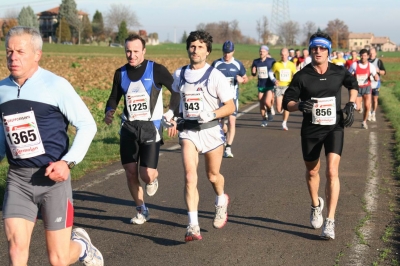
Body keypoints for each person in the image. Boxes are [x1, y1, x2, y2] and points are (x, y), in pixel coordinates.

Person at [0, 26, 102, 265]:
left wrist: (68, 162)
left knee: (58, 258)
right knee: (16, 251)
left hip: (52, 180)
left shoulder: (56, 85)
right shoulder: (2, 89)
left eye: (20, 52)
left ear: (37, 54)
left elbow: (88, 125)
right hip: (18, 180)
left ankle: (82, 246)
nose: (13, 57)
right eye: (9, 51)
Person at [283, 31, 359, 240]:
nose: (318, 51)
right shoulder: (302, 75)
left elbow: (353, 86)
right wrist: (299, 105)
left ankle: (330, 221)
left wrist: (351, 104)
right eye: (314, 48)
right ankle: (316, 205)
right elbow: (286, 101)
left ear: (328, 51)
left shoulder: (338, 71)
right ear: (310, 51)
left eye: (322, 48)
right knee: (312, 171)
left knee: (332, 172)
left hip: (334, 126)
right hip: (311, 129)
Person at [165, 30, 234, 242]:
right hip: (189, 131)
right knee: (189, 177)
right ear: (188, 49)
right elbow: (176, 96)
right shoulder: (180, 74)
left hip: (212, 131)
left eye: (200, 47)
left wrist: (211, 113)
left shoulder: (215, 76)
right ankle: (193, 225)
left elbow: (230, 106)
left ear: (208, 51)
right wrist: (171, 112)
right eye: (192, 46)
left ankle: (221, 199)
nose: (195, 50)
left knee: (213, 176)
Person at [104, 34, 180, 225]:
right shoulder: (120, 73)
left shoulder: (156, 70)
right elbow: (114, 97)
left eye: (136, 51)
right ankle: (141, 209)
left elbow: (177, 92)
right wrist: (109, 110)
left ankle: (153, 178)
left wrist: (173, 115)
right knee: (130, 171)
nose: (131, 55)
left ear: (144, 51)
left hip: (150, 127)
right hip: (128, 127)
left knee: (146, 174)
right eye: (128, 51)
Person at [211, 41, 248, 158]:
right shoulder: (216, 64)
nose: (227, 55)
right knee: (220, 125)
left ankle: (228, 147)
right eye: (225, 52)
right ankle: (224, 134)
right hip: (219, 99)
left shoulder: (238, 64)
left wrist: (242, 80)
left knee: (232, 121)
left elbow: (245, 78)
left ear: (233, 51)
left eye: (229, 52)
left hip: (232, 98)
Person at [348, 49, 379, 129]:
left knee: (367, 106)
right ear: (360, 56)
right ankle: (359, 107)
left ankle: (364, 122)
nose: (363, 57)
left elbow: (375, 76)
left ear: (368, 56)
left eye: (365, 55)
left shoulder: (371, 66)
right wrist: (351, 77)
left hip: (367, 88)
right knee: (358, 108)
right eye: (361, 55)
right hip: (357, 88)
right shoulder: (354, 65)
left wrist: (376, 77)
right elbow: (348, 75)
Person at [270, 48, 297, 130]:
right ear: (280, 55)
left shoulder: (291, 64)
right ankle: (281, 111)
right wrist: (274, 80)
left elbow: (295, 74)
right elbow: (270, 73)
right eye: (282, 55)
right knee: (279, 109)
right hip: (279, 87)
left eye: (285, 55)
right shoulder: (276, 64)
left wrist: (294, 83)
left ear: (288, 55)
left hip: (288, 87)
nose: (284, 56)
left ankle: (284, 123)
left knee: (287, 106)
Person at [251, 45, 276, 127]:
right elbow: (253, 73)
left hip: (269, 85)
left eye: (263, 51)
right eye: (260, 51)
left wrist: (276, 80)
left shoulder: (271, 61)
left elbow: (276, 71)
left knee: (267, 102)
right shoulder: (256, 61)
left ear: (267, 52)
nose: (261, 53)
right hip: (261, 85)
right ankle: (264, 120)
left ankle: (269, 110)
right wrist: (254, 71)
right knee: (261, 103)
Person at [368, 47, 386, 122]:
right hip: (367, 83)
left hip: (376, 83)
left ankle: (373, 113)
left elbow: (384, 72)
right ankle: (368, 113)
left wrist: (377, 70)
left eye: (373, 53)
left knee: (375, 99)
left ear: (375, 53)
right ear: (368, 53)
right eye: (370, 53)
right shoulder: (366, 61)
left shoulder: (379, 61)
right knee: (368, 100)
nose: (372, 54)